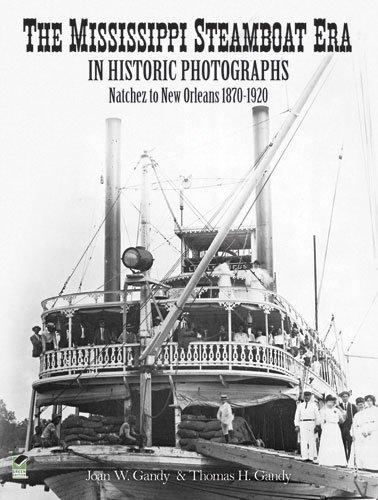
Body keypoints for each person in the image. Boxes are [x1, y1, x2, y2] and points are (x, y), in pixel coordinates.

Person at [317, 394, 347, 466]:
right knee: (328, 444)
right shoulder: (323, 411)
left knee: (336, 444)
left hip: (335, 428)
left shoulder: (337, 410)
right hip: (327, 428)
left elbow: (342, 420)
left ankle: (337, 461)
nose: (330, 404)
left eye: (332, 402)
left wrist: (342, 414)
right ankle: (327, 461)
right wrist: (324, 428)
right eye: (329, 402)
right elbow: (321, 421)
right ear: (326, 402)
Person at [294, 390, 319, 462]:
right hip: (302, 423)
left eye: (308, 395)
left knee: (312, 440)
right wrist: (297, 425)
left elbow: (317, 416)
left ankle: (311, 457)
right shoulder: (300, 405)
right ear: (303, 396)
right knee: (303, 440)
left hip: (312, 423)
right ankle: (304, 456)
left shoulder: (314, 405)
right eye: (305, 395)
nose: (307, 397)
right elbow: (297, 416)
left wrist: (317, 425)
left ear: (310, 396)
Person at [359, 394, 378, 471]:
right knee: (366, 448)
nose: (369, 402)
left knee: (374, 448)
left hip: (374, 430)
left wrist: (372, 430)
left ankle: (375, 466)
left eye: (370, 401)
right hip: (366, 429)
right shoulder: (365, 411)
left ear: (373, 401)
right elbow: (362, 422)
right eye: (367, 401)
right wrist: (363, 431)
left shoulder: (376, 410)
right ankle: (367, 466)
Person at [338, 390, 357, 461]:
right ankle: (344, 459)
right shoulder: (338, 406)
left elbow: (355, 417)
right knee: (342, 444)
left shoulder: (352, 406)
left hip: (350, 428)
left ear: (348, 397)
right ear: (341, 397)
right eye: (343, 397)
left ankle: (349, 459)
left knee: (350, 444)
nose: (345, 398)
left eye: (346, 396)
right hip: (341, 428)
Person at [348, 397, 366, 468]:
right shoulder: (356, 415)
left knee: (364, 449)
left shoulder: (367, 413)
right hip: (357, 433)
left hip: (364, 432)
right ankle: (356, 464)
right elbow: (353, 425)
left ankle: (364, 465)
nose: (360, 406)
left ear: (364, 404)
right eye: (359, 405)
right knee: (356, 448)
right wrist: (352, 434)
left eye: (361, 404)